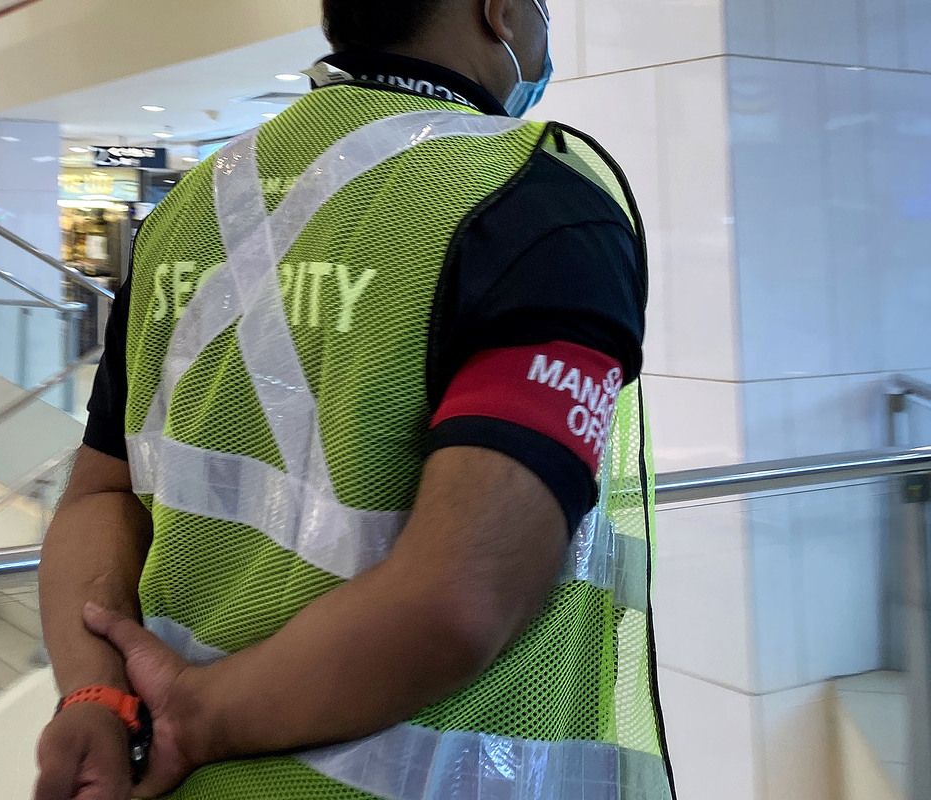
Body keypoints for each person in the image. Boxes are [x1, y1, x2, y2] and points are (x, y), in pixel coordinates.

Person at [34, 0, 674, 797]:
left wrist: (98, 696)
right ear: (500, 11)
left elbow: (99, 495)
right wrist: (194, 719)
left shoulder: (189, 208)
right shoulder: (535, 205)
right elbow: (462, 597)